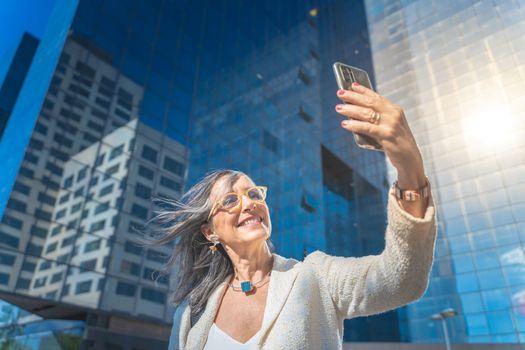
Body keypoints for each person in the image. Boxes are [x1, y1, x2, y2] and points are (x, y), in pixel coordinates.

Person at [159, 83, 437, 349]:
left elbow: (402, 280)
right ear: (210, 232)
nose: (249, 204)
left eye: (254, 194)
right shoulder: (191, 313)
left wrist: (410, 166)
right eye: (230, 200)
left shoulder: (314, 277)